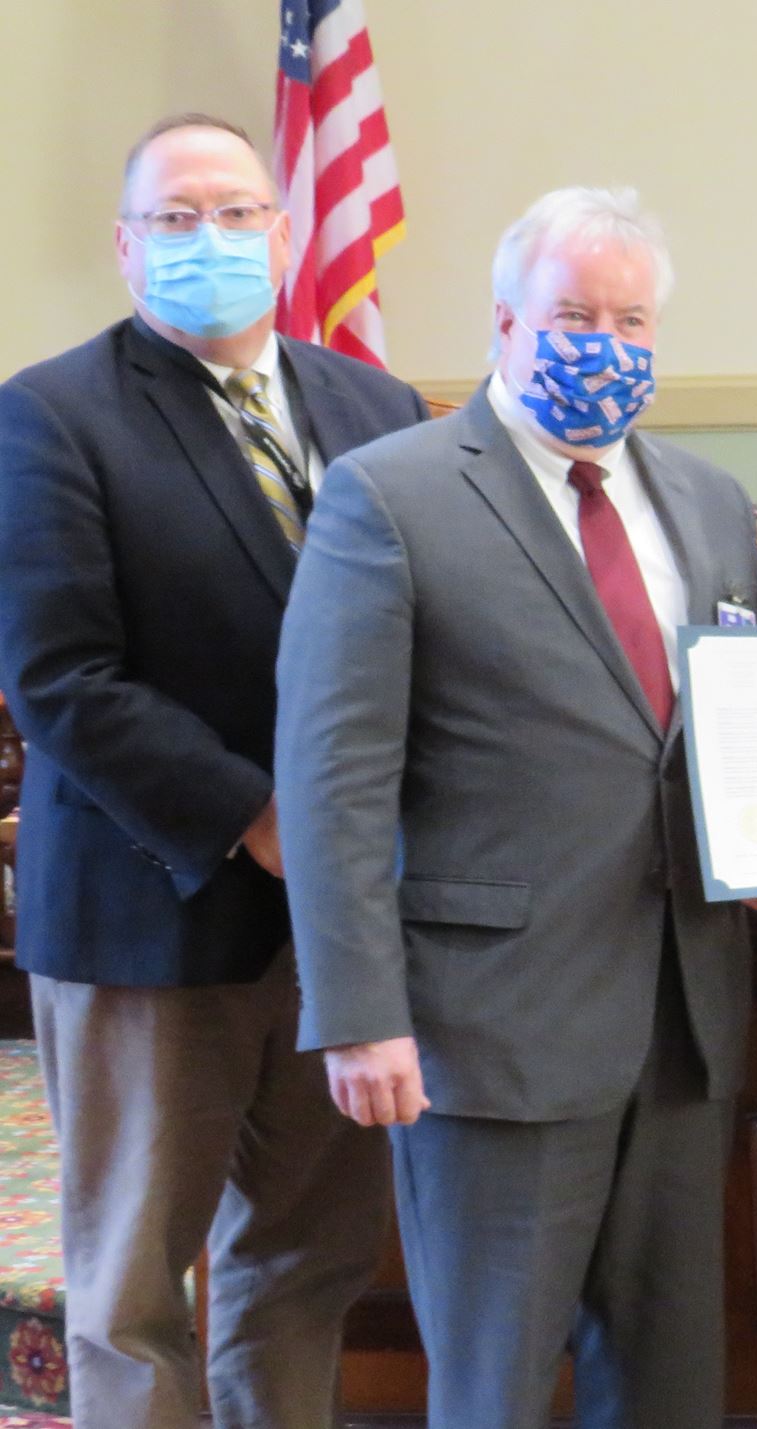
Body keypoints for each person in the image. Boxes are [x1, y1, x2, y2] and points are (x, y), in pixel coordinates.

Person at [274, 186, 757, 1429]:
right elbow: (333, 773)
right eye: (574, 314)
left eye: (631, 321)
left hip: (683, 1026)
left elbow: (736, 729)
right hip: (489, 1036)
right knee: (495, 1388)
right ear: (506, 321)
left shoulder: (710, 502)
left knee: (670, 1386)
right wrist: (357, 1011)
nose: (604, 344)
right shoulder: (388, 495)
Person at [0, 112, 424, 1429]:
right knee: (131, 1289)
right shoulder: (49, 413)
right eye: (177, 218)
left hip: (338, 923)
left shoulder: (380, 407)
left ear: (287, 235)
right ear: (129, 249)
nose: (211, 238)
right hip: (150, 913)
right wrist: (254, 814)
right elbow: (60, 676)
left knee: (304, 1257)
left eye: (238, 212)